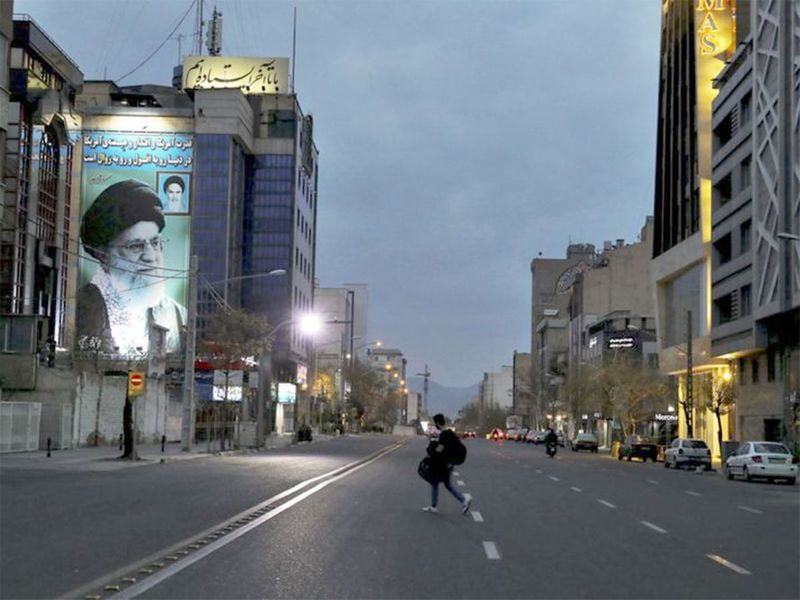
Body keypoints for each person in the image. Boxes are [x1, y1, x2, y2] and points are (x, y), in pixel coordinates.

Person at [78, 179, 187, 355]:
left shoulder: (179, 316)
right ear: (104, 256)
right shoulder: (79, 310)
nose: (150, 257)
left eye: (155, 242)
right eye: (135, 246)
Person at [422, 413, 471, 514]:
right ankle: (434, 506)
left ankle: (463, 500)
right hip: (446, 464)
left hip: (443, 465)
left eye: (435, 422)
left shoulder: (442, 434)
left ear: (437, 422)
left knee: (441, 484)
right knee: (438, 483)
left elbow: (440, 449)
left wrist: (431, 452)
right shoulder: (446, 432)